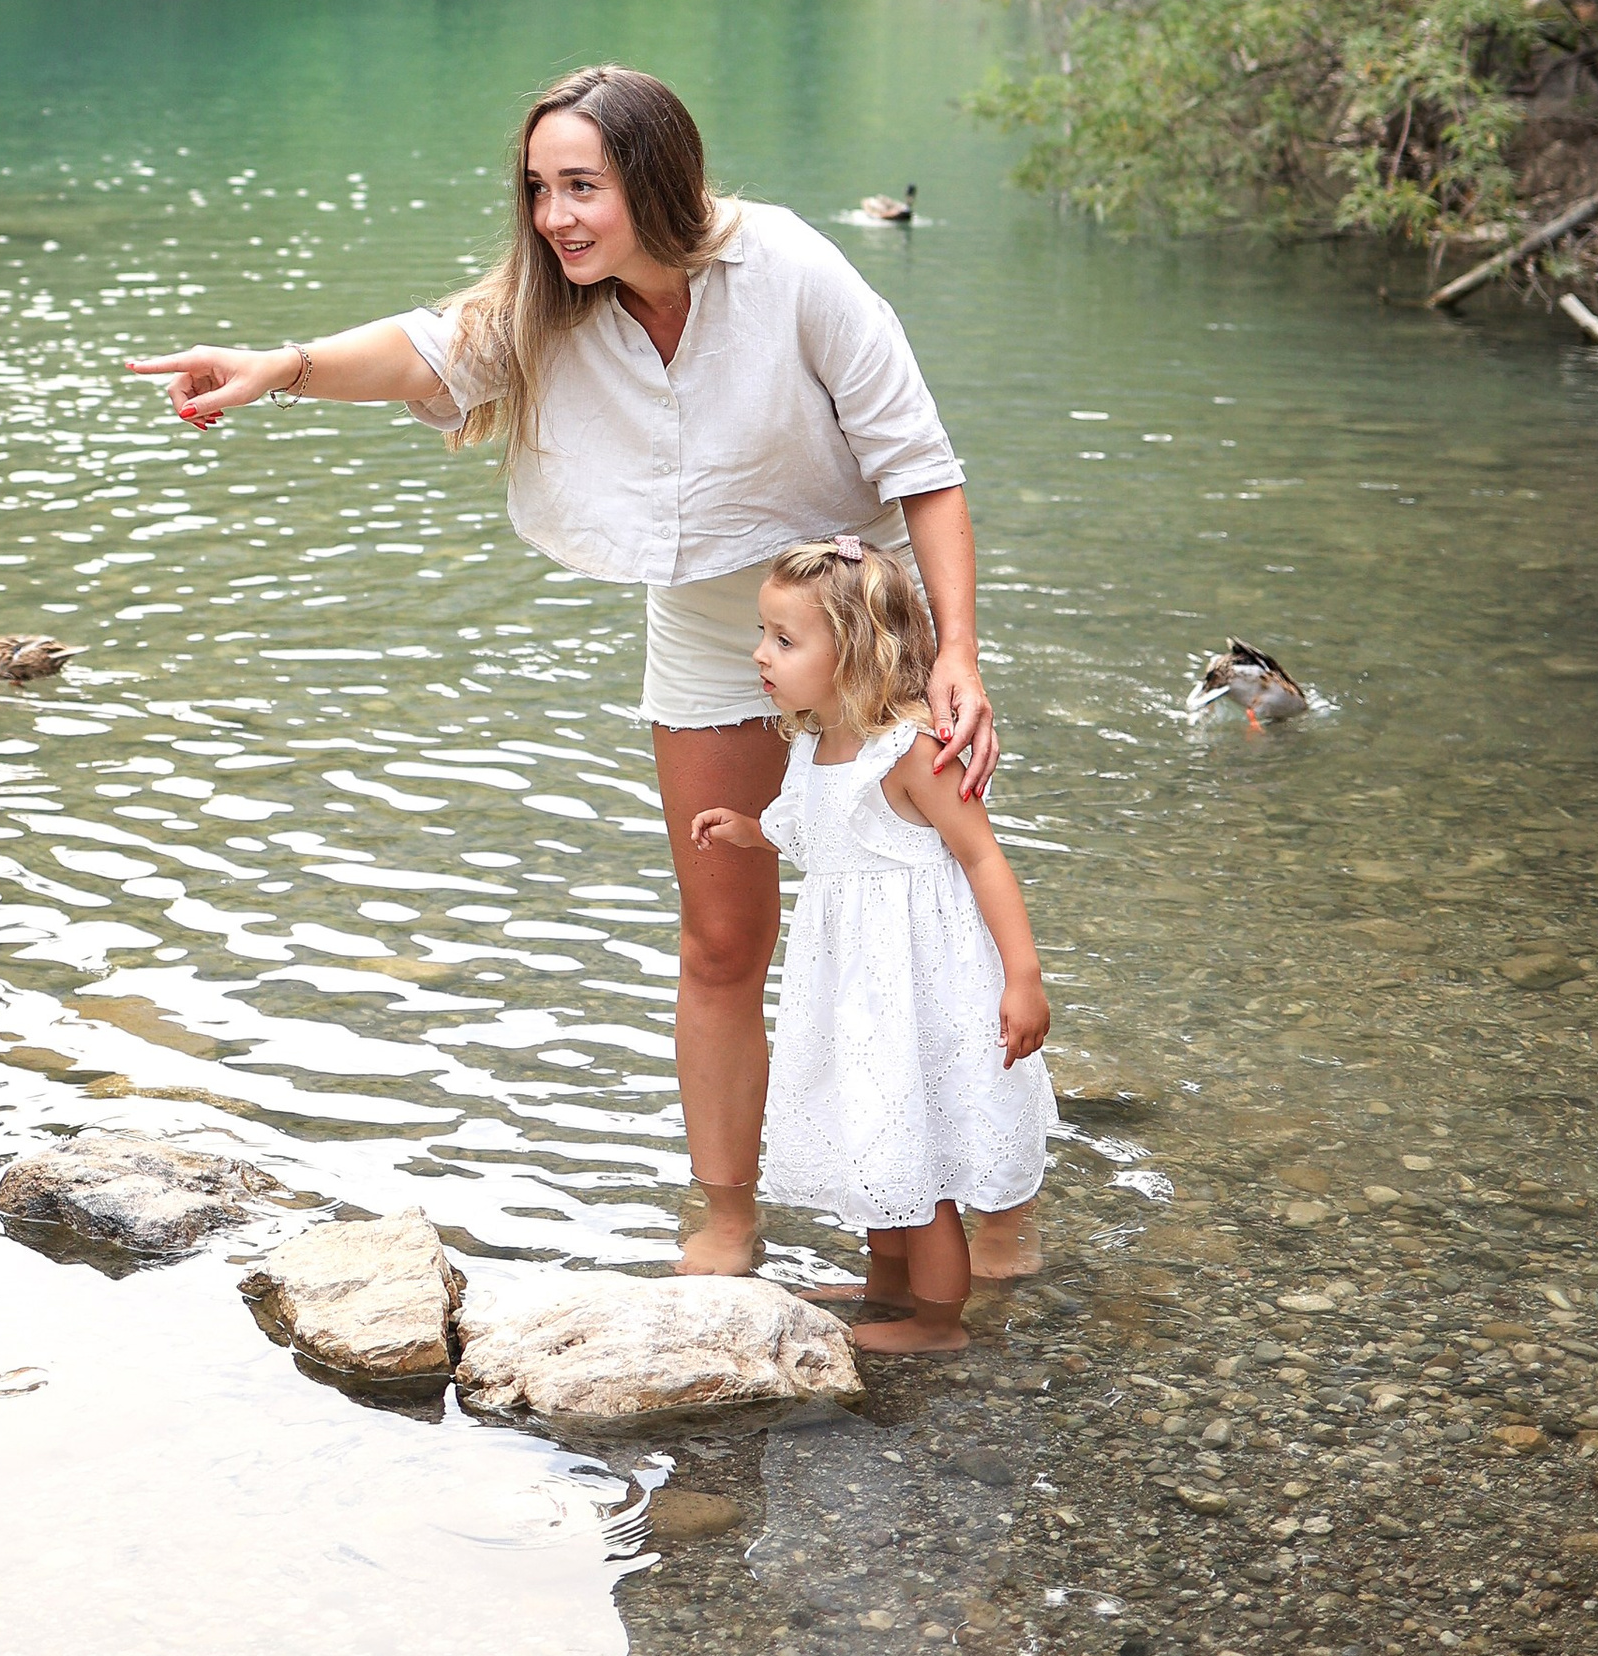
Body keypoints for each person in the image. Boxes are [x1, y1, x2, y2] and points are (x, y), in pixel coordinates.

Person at [126, 63, 997, 1276]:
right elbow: (425, 352)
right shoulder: (548, 297)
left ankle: (986, 1200)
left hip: (868, 622)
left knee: (922, 917)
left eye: (581, 187)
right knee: (719, 939)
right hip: (711, 629)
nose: (554, 218)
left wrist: (955, 653)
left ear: (656, 179)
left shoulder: (791, 267)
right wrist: (281, 367)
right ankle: (728, 1217)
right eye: (539, 188)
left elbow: (923, 466)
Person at [692, 533, 1051, 1347]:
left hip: (918, 991)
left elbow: (983, 858)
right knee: (876, 1133)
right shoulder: (816, 743)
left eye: (784, 641)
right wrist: (751, 832)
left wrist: (1022, 980)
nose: (760, 654)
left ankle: (937, 1320)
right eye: (764, 634)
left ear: (854, 653)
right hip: (854, 992)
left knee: (919, 1156)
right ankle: (886, 1285)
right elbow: (828, 838)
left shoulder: (910, 750)